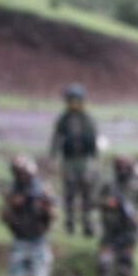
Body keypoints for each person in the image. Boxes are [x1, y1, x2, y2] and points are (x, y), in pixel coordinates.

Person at [0, 155, 55, 276]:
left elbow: (52, 216)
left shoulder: (42, 190)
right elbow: (4, 216)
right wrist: (12, 206)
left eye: (23, 172)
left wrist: (45, 207)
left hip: (38, 241)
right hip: (20, 240)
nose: (21, 176)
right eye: (18, 173)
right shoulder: (13, 191)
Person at [49, 83, 98, 235]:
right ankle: (69, 224)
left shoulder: (88, 118)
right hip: (69, 160)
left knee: (87, 193)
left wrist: (94, 159)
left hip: (85, 160)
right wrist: (53, 156)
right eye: (72, 100)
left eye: (77, 100)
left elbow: (93, 140)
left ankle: (87, 224)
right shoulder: (63, 119)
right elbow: (56, 138)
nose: (74, 103)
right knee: (70, 193)